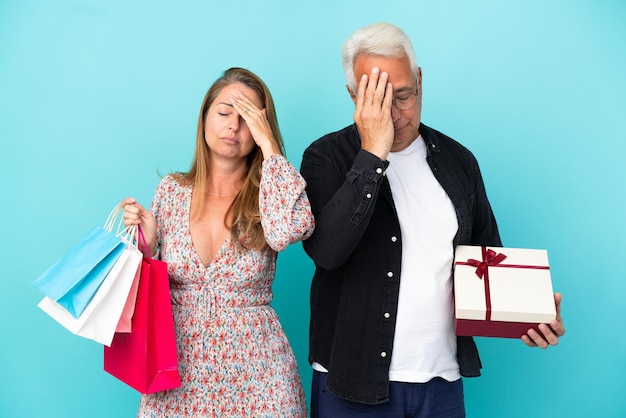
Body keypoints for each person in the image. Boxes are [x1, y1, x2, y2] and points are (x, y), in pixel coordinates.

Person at [300, 22, 565, 417]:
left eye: (403, 95)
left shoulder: (459, 162)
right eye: (378, 100)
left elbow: (488, 260)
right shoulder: (325, 158)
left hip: (440, 384)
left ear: (420, 80)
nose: (394, 114)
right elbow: (327, 251)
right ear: (354, 96)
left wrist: (527, 317)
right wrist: (373, 154)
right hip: (350, 385)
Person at [121, 67, 313, 417]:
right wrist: (147, 246)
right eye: (224, 113)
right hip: (176, 371)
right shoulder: (171, 191)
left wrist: (269, 143)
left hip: (259, 376)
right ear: (205, 117)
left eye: (248, 119)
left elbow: (289, 230)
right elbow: (147, 291)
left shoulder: (267, 193)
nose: (234, 126)